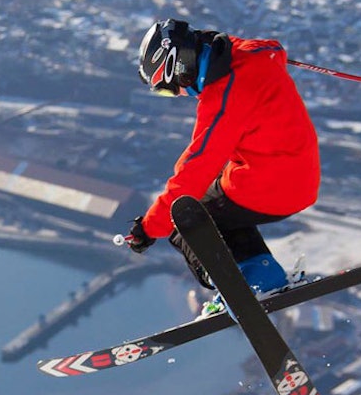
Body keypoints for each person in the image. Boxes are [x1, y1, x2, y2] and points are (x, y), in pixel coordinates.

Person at [123, 18, 321, 313]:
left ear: (181, 67)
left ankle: (236, 288)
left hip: (270, 186)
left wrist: (150, 228)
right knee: (221, 206)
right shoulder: (254, 56)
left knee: (186, 217)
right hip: (301, 178)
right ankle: (260, 273)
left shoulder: (223, 98)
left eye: (168, 88)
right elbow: (271, 48)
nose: (176, 94)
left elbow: (193, 170)